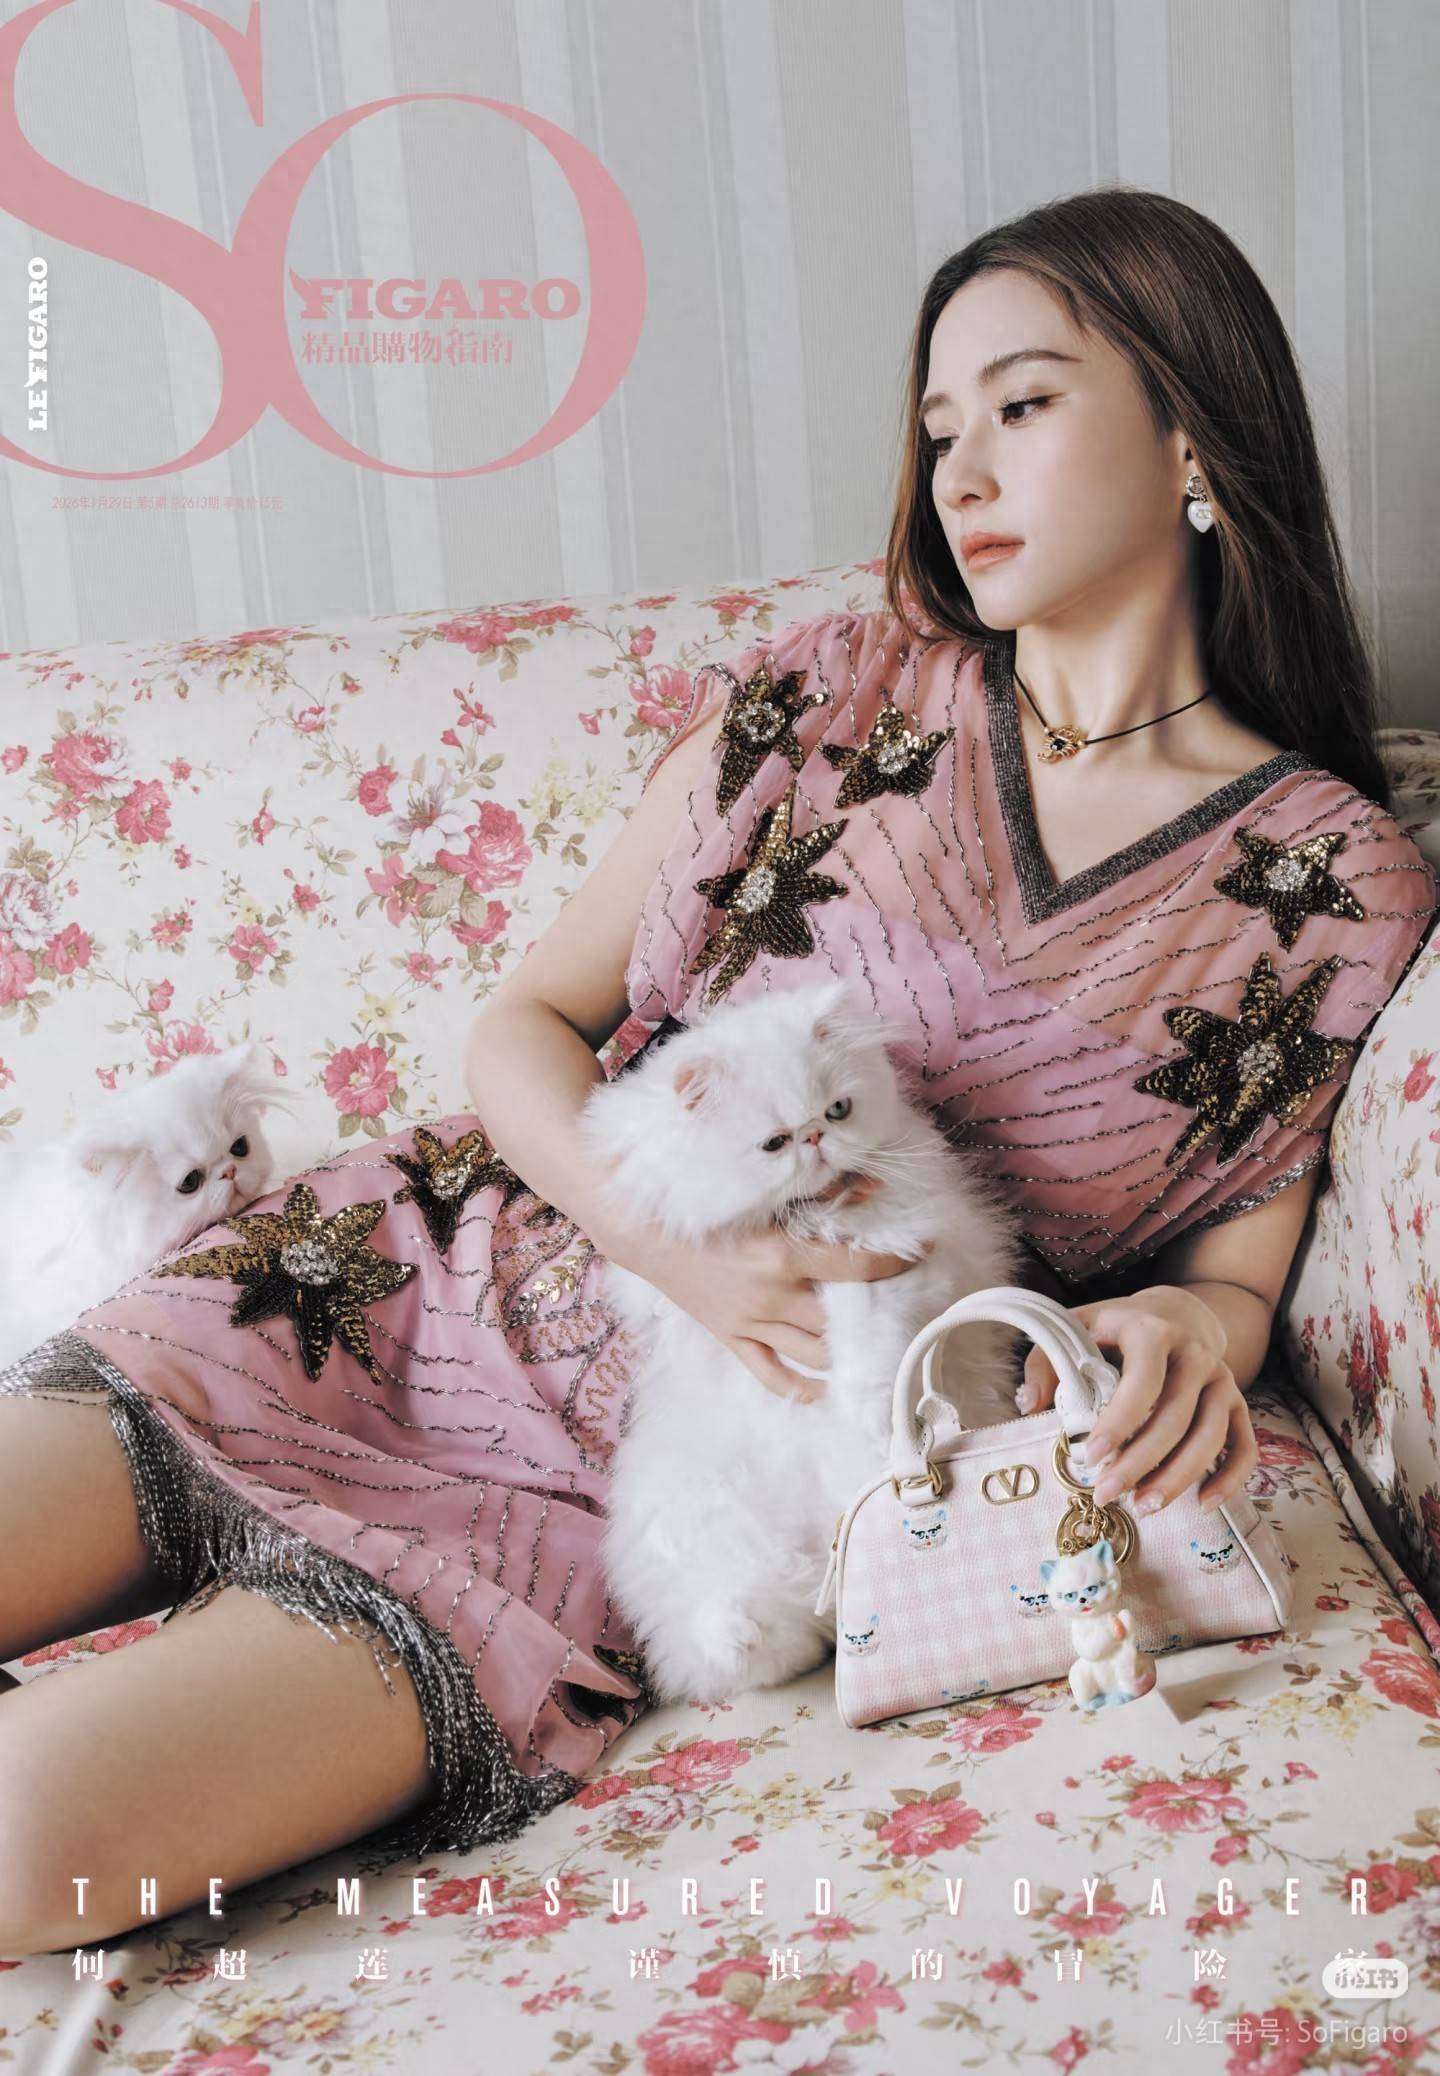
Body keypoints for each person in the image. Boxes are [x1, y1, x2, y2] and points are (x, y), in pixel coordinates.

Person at [0, 185, 1433, 1958]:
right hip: (389, 1292)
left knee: (26, 1846)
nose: (962, 471)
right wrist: (668, 1247)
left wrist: (1184, 1338)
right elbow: (523, 1025)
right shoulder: (839, 690)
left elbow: (1235, 1271)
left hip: (625, 1504)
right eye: (939, 427)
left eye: (1024, 403)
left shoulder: (1325, 883)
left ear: (1194, 433)